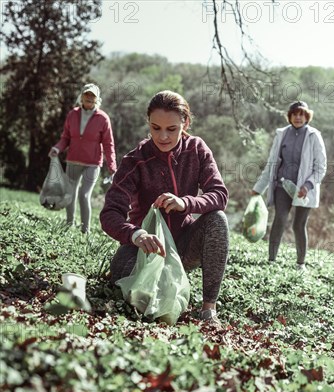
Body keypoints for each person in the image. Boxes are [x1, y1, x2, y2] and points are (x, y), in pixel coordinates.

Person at [100, 90, 229, 322]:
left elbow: (219, 195)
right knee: (121, 271)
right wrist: (136, 234)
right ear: (148, 123)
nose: (162, 137)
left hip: (184, 246)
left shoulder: (197, 149)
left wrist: (185, 203)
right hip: (145, 249)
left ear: (185, 123)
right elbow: (110, 214)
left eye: (172, 129)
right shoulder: (135, 160)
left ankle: (209, 307)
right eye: (155, 127)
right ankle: (162, 283)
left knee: (218, 219)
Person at [252, 101, 327, 271]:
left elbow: (321, 168)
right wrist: (258, 188)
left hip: (304, 190)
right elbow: (271, 163)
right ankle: (271, 260)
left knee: (298, 225)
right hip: (282, 185)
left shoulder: (314, 136)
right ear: (290, 116)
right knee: (280, 219)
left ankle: (300, 264)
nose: (298, 117)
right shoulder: (282, 134)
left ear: (307, 116)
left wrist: (307, 185)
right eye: (295, 114)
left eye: (301, 114)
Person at [49, 83, 117, 233]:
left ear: (97, 99)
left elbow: (108, 145)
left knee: (84, 194)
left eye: (92, 96)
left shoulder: (103, 118)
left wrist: (112, 167)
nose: (89, 99)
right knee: (70, 193)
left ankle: (85, 230)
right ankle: (69, 224)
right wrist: (57, 148)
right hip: (73, 160)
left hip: (92, 164)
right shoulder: (72, 114)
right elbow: (65, 138)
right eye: (86, 95)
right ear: (82, 96)